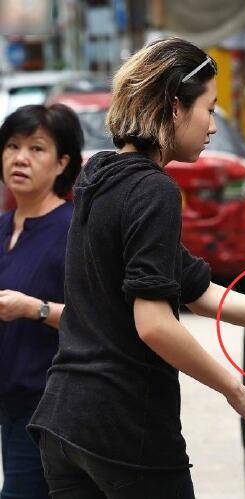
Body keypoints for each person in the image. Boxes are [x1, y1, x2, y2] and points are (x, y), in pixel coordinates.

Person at [27, 37, 245, 499]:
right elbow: (154, 324)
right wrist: (236, 391)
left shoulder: (99, 174)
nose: (212, 125)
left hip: (64, 424)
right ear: (174, 108)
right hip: (124, 429)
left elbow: (206, 294)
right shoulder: (153, 190)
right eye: (208, 109)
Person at [0, 104, 83, 499]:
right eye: (12, 146)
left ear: (62, 163)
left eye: (36, 148)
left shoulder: (74, 230)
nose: (20, 158)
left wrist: (34, 308)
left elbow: (100, 321)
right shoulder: (3, 226)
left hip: (51, 409)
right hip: (11, 404)